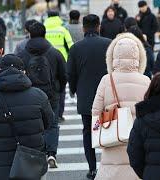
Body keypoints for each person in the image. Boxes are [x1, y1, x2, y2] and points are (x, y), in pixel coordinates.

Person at [0, 55, 54, 180]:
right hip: (33, 157)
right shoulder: (39, 96)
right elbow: (49, 122)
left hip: (2, 159)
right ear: (24, 72)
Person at [92, 33, 150, 180]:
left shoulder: (106, 80)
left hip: (113, 137)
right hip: (138, 139)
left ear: (113, 57)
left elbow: (95, 111)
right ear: (138, 57)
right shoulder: (145, 81)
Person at [67, 14, 112, 179]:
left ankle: (92, 169)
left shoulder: (76, 48)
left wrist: (73, 89)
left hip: (86, 96)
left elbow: (70, 73)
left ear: (83, 28)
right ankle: (108, 167)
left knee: (88, 132)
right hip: (107, 95)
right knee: (110, 132)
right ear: (99, 26)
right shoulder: (109, 44)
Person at [17, 21, 67, 168]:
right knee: (52, 124)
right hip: (51, 94)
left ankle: (36, 153)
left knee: (32, 124)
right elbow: (64, 75)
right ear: (45, 34)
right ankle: (51, 153)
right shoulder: (54, 52)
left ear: (29, 34)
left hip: (28, 95)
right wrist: (59, 89)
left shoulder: (22, 54)